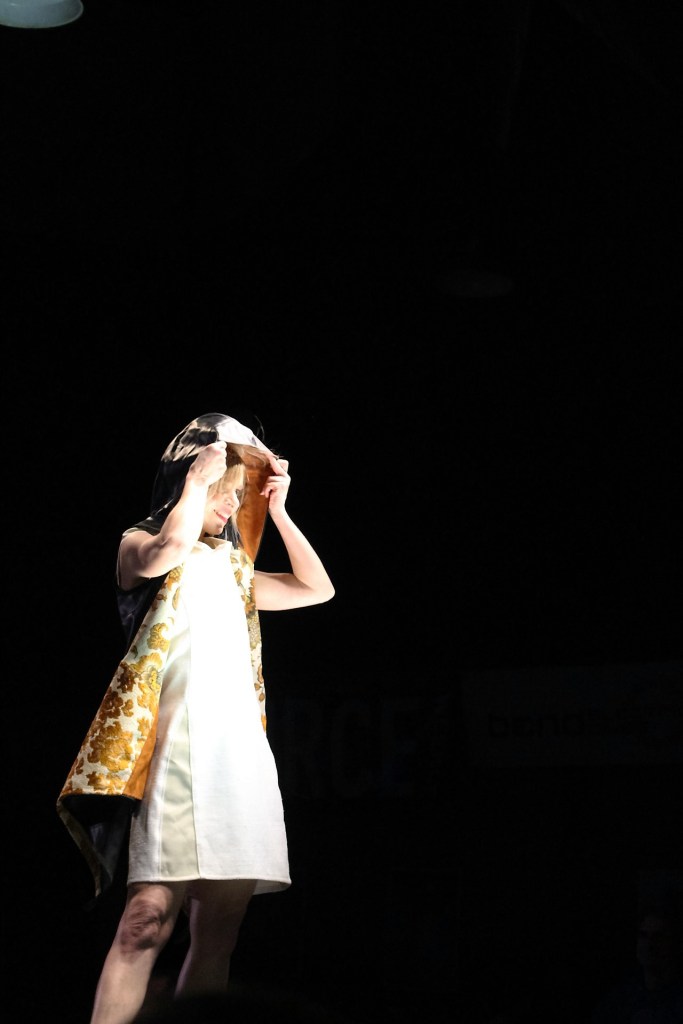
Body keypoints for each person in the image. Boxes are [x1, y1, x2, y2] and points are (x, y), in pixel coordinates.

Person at [57, 412, 335, 1024]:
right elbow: (168, 550)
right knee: (144, 921)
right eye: (226, 492)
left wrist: (278, 511)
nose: (234, 506)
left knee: (217, 934)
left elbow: (317, 589)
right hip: (174, 757)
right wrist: (198, 477)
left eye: (240, 497)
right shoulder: (139, 544)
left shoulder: (235, 570)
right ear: (193, 478)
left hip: (238, 758)